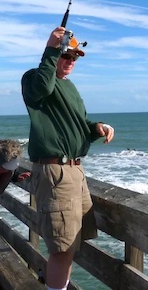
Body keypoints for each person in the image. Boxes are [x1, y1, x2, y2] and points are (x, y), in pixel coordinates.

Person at [21, 27, 115, 290]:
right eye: (66, 55)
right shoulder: (33, 78)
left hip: (75, 171)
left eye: (75, 57)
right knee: (61, 248)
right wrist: (51, 49)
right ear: (55, 55)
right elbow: (41, 87)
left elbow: (80, 124)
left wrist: (97, 128)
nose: (71, 61)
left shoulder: (71, 87)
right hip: (55, 172)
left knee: (71, 243)